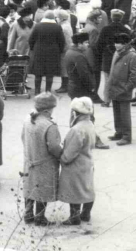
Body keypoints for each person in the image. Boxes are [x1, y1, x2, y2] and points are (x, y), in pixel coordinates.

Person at [21, 92, 62, 226]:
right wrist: (62, 156)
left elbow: (23, 137)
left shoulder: (28, 119)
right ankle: (40, 217)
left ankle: (27, 214)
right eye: (52, 109)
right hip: (45, 163)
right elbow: (54, 147)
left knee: (29, 187)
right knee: (42, 190)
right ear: (46, 110)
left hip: (29, 160)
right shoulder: (49, 125)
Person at [58, 97, 97, 229]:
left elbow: (71, 152)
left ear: (75, 113)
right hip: (88, 161)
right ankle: (86, 213)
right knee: (87, 188)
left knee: (75, 190)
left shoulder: (76, 129)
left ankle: (74, 217)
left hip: (76, 165)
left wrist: (62, 159)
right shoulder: (90, 124)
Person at [107, 31, 136, 146]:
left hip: (123, 89)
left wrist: (127, 88)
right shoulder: (117, 53)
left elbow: (135, 75)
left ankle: (127, 136)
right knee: (116, 113)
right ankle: (119, 132)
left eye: (120, 43)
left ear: (126, 44)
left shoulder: (132, 56)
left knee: (124, 114)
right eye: (116, 43)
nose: (117, 45)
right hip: (114, 87)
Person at [27, 10, 66, 95]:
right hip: (53, 52)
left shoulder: (37, 26)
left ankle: (37, 91)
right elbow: (62, 41)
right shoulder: (57, 27)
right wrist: (60, 50)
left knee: (38, 73)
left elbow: (31, 39)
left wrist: (33, 48)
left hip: (39, 51)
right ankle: (48, 91)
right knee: (50, 73)